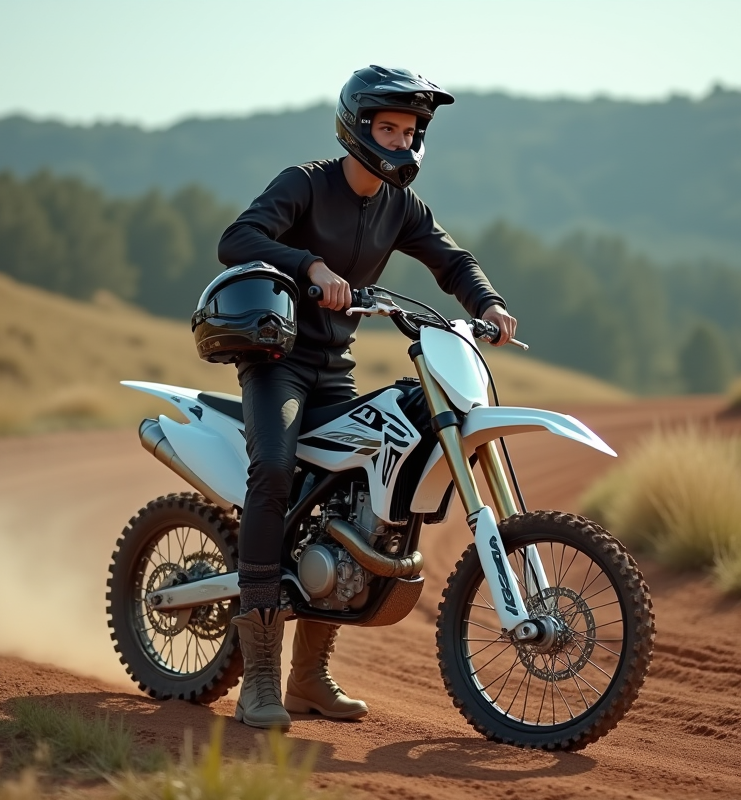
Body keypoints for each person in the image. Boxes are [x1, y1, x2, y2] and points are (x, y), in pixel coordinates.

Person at [216, 65, 518, 730]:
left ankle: (307, 678)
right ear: (357, 127)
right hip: (278, 364)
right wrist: (310, 266)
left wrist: (487, 303)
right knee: (273, 471)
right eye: (389, 128)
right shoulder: (305, 184)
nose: (401, 142)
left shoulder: (399, 206)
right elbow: (236, 239)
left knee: (358, 495)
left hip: (335, 368)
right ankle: (258, 679)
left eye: (410, 131)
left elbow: (451, 259)